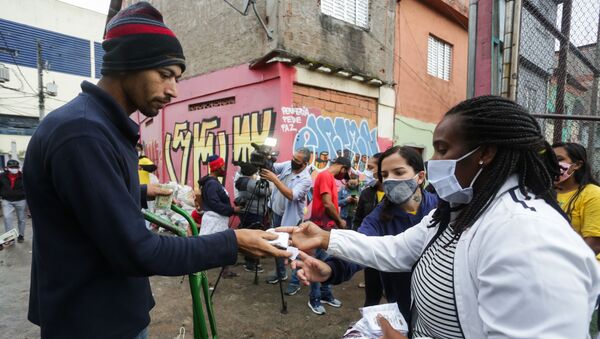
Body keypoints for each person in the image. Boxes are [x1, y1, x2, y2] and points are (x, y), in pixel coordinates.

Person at [22, 3, 289, 338]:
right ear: (127, 65)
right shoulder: (83, 133)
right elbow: (138, 250)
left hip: (109, 312)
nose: (173, 90)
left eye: (176, 78)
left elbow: (83, 203)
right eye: (165, 75)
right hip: (93, 322)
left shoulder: (98, 126)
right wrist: (232, 241)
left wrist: (144, 192)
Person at [281, 96, 599, 338]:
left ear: (486, 153)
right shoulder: (455, 211)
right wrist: (325, 239)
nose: (433, 163)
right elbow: (395, 249)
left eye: (443, 149)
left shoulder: (528, 237)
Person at [349, 146, 438, 323]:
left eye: (398, 172)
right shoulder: (378, 217)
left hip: (436, 301)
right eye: (385, 175)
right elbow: (358, 246)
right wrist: (331, 268)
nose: (390, 180)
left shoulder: (439, 207)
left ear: (420, 177)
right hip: (400, 300)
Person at [259, 147, 312, 291]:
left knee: (293, 250)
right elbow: (274, 167)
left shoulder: (306, 179)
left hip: (291, 220)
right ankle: (280, 273)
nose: (293, 161)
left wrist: (275, 179)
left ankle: (295, 282)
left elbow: (292, 195)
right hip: (277, 212)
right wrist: (266, 159)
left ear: (305, 163)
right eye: (293, 158)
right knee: (277, 245)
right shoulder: (288, 165)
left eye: (297, 160)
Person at [304, 156, 351, 315]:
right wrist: (339, 221)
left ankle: (325, 295)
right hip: (320, 228)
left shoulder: (329, 178)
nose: (342, 178)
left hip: (327, 228)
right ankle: (315, 299)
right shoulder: (325, 176)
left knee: (327, 263)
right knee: (318, 264)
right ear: (343, 167)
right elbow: (327, 203)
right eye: (344, 174)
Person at [552, 142, 600, 258]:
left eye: (559, 159)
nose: (553, 164)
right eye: (550, 160)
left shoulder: (592, 194)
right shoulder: (542, 193)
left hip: (584, 267)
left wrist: (564, 264)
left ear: (577, 164)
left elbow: (595, 244)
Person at [199, 155, 242, 278]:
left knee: (224, 245)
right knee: (206, 246)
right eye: (222, 166)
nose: (224, 168)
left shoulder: (214, 182)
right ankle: (197, 270)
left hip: (219, 219)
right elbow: (215, 204)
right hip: (214, 220)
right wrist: (233, 210)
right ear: (217, 167)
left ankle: (225, 271)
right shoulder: (212, 184)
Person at [235, 162, 270, 272]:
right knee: (253, 238)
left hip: (246, 211)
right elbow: (266, 191)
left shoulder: (240, 181)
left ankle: (250, 261)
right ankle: (251, 263)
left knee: (248, 236)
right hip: (254, 212)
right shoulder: (250, 183)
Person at [0, 159, 27, 243]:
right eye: (12, 167)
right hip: (7, 200)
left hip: (21, 200)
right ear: (7, 168)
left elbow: (28, 187)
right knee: (7, 218)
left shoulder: (23, 176)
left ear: (18, 167)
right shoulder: (1, 176)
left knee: (21, 219)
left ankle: (21, 235)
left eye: (16, 167)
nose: (14, 169)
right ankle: (10, 238)